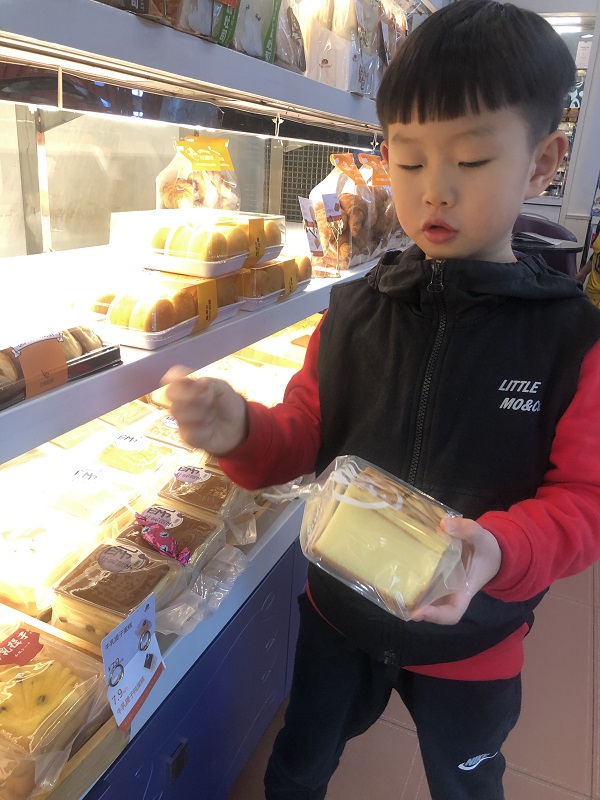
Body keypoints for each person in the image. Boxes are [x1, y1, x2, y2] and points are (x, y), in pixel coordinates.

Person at [163, 2, 600, 797]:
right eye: (408, 161)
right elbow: (303, 433)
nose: (435, 192)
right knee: (299, 766)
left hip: (475, 639)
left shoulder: (572, 341)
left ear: (543, 163)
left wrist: (496, 551)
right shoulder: (355, 311)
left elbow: (584, 503)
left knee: (468, 782)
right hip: (340, 619)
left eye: (471, 161)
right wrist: (240, 431)